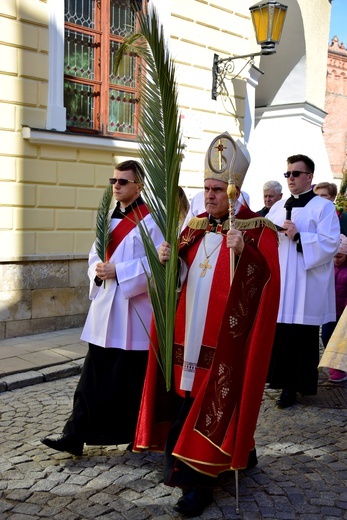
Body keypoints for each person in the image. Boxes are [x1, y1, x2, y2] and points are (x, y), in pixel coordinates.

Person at [133, 134, 280, 517]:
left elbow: (267, 282)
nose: (210, 195)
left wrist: (244, 253)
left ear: (234, 191)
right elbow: (180, 277)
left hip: (223, 340)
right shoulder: (195, 226)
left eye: (218, 189)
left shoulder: (257, 229)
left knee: (212, 401)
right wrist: (168, 257)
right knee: (188, 398)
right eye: (207, 188)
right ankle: (240, 453)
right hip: (188, 335)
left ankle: (197, 483)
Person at [41, 160, 163, 456]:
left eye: (123, 181)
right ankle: (74, 435)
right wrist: (97, 270)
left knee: (128, 381)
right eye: (114, 181)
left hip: (132, 315)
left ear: (139, 186)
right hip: (105, 309)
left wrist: (120, 272)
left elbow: (160, 266)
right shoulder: (107, 219)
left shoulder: (152, 221)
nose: (116, 186)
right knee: (91, 377)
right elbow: (94, 254)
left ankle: (137, 435)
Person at [266, 154, 340, 409]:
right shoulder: (278, 206)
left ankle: (296, 387)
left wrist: (299, 237)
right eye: (288, 174)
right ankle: (280, 383)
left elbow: (330, 243)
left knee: (301, 336)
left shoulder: (323, 207)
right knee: (282, 334)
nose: (291, 179)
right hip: (283, 280)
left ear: (309, 177)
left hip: (306, 282)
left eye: (296, 174)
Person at [320, 234, 347, 382]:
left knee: (341, 341)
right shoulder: (329, 266)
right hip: (330, 310)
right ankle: (332, 361)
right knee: (326, 336)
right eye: (335, 256)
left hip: (343, 314)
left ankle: (340, 368)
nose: (336, 259)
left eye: (340, 257)